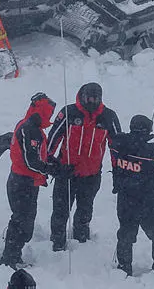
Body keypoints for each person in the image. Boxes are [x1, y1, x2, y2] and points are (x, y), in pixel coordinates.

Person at [47, 82, 121, 251]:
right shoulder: (69, 113)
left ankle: (82, 241)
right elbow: (52, 139)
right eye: (89, 98)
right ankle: (57, 242)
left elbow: (117, 147)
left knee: (85, 210)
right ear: (82, 96)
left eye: (96, 99)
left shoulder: (109, 117)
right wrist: (51, 163)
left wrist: (119, 171)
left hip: (91, 175)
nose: (92, 102)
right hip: (66, 172)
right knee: (60, 211)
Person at [0, 93, 70, 268]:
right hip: (21, 182)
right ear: (41, 112)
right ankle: (9, 258)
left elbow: (40, 155)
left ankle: (14, 255)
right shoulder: (28, 128)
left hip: (30, 182)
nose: (50, 117)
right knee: (21, 222)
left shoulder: (34, 129)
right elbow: (30, 161)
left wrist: (55, 164)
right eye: (49, 113)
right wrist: (53, 170)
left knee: (25, 221)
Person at [110, 115, 154, 276]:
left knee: (125, 234)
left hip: (125, 199)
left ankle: (124, 267)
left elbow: (117, 148)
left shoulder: (118, 144)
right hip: (148, 201)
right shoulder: (150, 150)